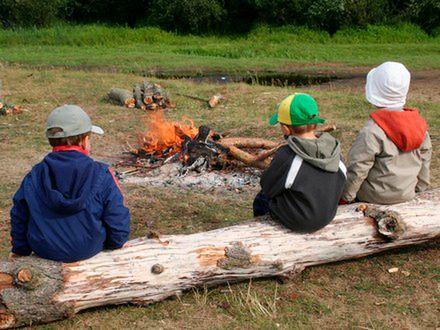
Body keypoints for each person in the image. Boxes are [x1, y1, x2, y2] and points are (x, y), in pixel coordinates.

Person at [10, 105, 130, 262]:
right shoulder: (102, 173)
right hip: (90, 249)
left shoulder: (34, 175)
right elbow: (116, 215)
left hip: (45, 251)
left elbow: (20, 215)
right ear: (84, 141)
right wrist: (116, 243)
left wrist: (20, 249)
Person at [340, 62, 432, 204]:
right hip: (407, 193)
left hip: (374, 197)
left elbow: (358, 168)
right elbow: (424, 162)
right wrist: (420, 189)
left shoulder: (372, 130)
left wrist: (345, 197)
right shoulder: (420, 125)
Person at [253, 93, 346, 233]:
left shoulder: (287, 155)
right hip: (327, 215)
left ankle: (261, 231)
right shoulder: (334, 149)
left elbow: (268, 186)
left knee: (262, 198)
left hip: (300, 221)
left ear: (285, 129)